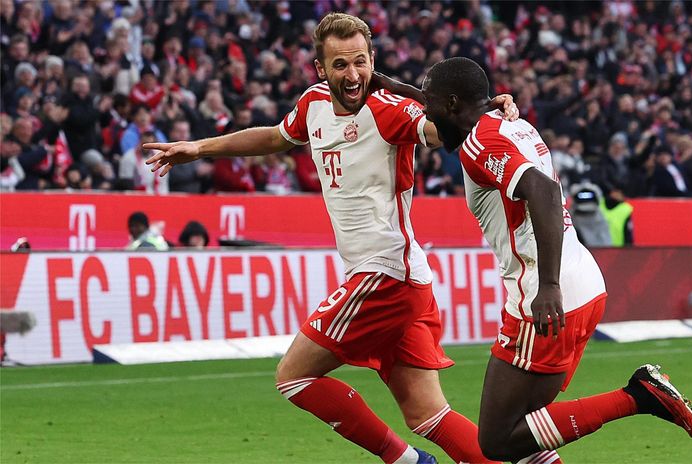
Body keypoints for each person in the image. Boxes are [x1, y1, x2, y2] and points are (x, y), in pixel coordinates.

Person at [144, 13, 519, 464]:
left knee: (293, 376)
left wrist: (483, 112)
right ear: (322, 69)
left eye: (360, 62)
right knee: (427, 415)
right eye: (340, 65)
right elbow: (276, 137)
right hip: (404, 279)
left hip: (385, 275)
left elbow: (447, 130)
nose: (352, 74)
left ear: (373, 61)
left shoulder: (390, 110)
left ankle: (408, 462)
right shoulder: (313, 104)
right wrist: (199, 147)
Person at [409, 57, 692, 463]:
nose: (425, 112)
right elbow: (441, 103)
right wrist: (377, 82)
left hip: (546, 290)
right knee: (529, 430)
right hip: (582, 281)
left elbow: (544, 192)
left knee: (496, 440)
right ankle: (639, 395)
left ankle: (638, 396)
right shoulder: (511, 123)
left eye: (431, 104)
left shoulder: (482, 140)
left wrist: (547, 285)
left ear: (455, 104)